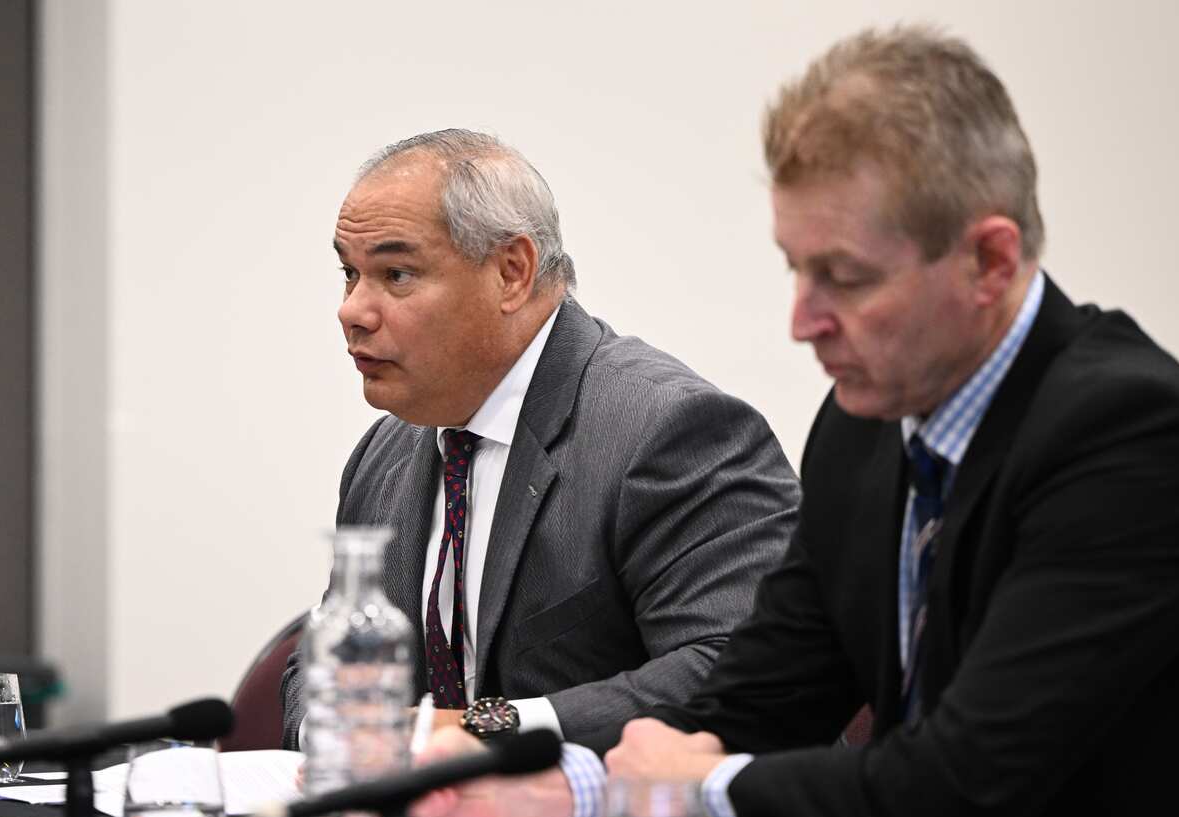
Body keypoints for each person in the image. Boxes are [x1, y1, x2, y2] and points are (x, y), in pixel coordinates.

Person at [408, 26, 1179, 817]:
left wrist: (706, 784)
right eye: (795, 268)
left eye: (845, 277)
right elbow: (760, 696)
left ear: (989, 261)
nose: (802, 322)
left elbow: (968, 780)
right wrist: (554, 788)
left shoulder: (1132, 438)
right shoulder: (863, 425)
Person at [280, 130, 800, 748]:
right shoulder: (383, 455)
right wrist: (338, 734)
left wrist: (488, 730)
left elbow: (739, 671)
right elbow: (321, 663)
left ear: (512, 273)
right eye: (350, 273)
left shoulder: (670, 430)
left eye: (396, 274)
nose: (353, 311)